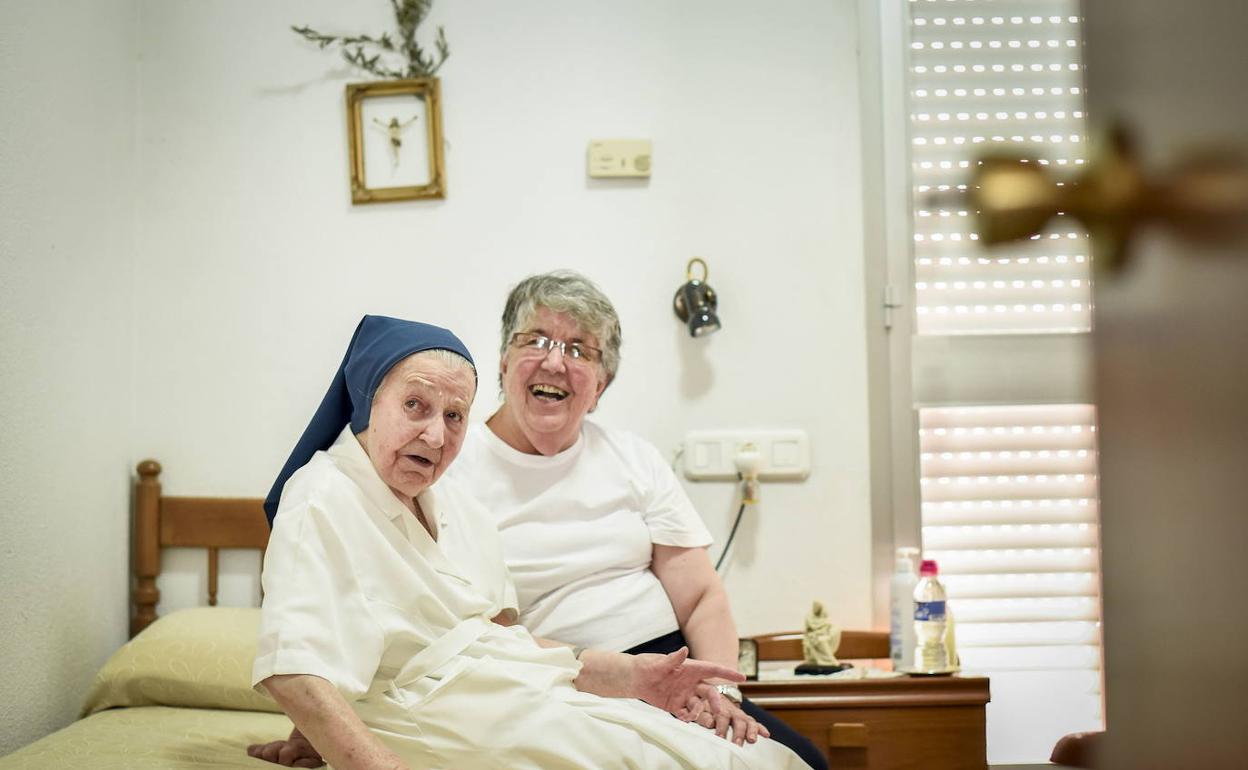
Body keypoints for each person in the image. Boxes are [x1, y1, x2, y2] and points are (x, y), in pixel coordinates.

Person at [252, 314, 805, 770]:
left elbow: (505, 638)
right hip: (436, 710)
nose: (436, 436)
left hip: (525, 685)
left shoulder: (459, 507)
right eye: (415, 406)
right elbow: (294, 663)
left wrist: (632, 677)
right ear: (369, 399)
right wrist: (361, 757)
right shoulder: (322, 495)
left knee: (764, 760)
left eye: (454, 416)